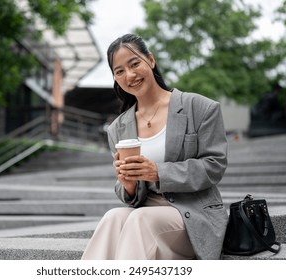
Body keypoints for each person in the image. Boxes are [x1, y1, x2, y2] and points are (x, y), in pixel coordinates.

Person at [81, 34, 228, 260]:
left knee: (139, 220)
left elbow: (214, 166)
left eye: (134, 64)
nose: (129, 75)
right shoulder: (118, 128)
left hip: (194, 216)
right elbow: (128, 195)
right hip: (146, 213)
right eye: (119, 71)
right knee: (112, 217)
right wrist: (128, 185)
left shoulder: (199, 107)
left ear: (150, 60)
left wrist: (158, 172)